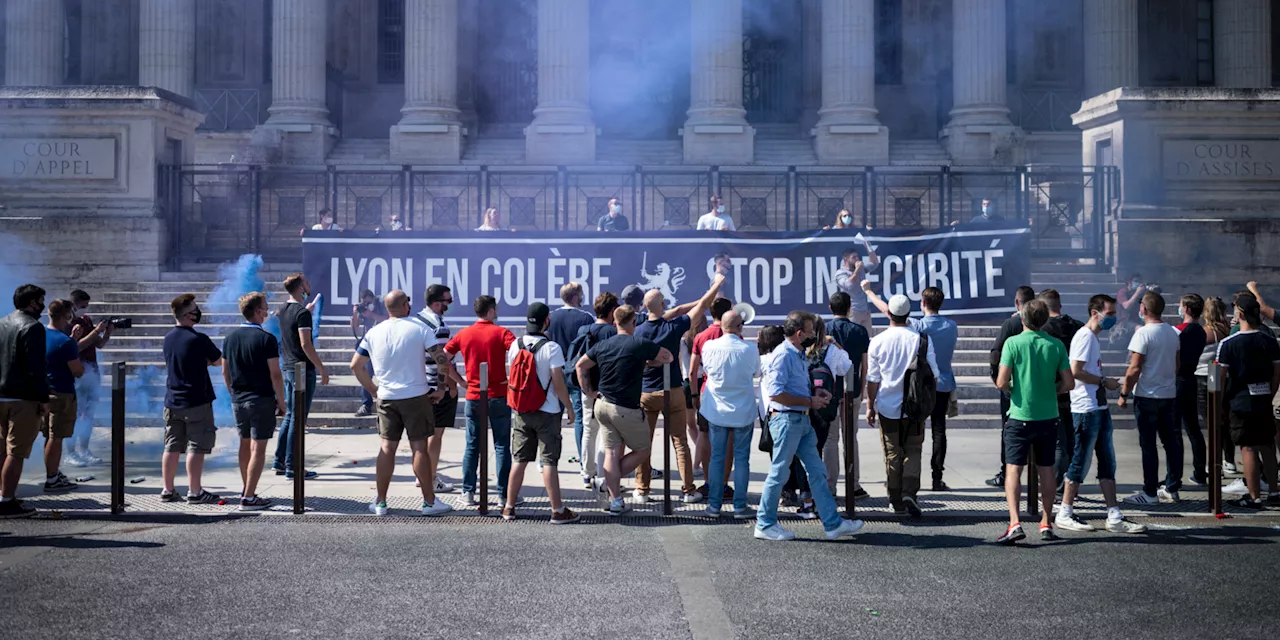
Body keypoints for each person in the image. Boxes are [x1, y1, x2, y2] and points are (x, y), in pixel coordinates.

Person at [756, 311, 863, 541]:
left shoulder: (796, 353)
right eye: (810, 330)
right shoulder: (783, 355)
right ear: (798, 333)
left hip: (800, 420)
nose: (814, 334)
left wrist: (814, 393)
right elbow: (776, 394)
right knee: (779, 473)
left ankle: (832, 523)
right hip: (787, 419)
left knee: (816, 471)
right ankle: (764, 523)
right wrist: (810, 401)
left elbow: (792, 387)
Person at [351, 291, 453, 517]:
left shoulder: (374, 332)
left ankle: (380, 502)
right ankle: (428, 502)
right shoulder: (420, 328)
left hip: (387, 396)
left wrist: (373, 390)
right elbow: (442, 359)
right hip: (416, 395)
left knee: (387, 448)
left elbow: (355, 366)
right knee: (419, 447)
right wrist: (441, 387)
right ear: (406, 305)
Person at [1055, 294, 1147, 534]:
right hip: (1086, 409)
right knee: (1080, 462)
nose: (1113, 318)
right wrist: (1105, 381)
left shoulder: (1092, 337)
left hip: (1098, 408)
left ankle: (1114, 514)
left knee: (1107, 462)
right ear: (1095, 313)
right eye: (1110, 313)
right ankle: (1064, 512)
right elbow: (1075, 371)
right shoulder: (1085, 336)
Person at [633, 268, 727, 503]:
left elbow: (676, 310)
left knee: (643, 443)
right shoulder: (672, 328)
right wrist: (715, 285)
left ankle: (642, 489)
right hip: (672, 389)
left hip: (645, 391)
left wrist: (697, 300)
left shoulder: (639, 329)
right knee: (680, 442)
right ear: (662, 304)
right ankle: (687, 490)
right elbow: (701, 307)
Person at [575, 305, 673, 516]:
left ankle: (615, 499)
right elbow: (668, 357)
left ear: (615, 321)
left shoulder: (603, 344)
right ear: (634, 322)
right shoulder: (639, 343)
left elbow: (581, 365)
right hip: (626, 408)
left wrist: (589, 392)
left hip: (602, 404)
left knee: (610, 451)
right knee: (643, 450)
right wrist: (648, 363)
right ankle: (610, 479)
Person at [864, 284, 958, 492]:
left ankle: (896, 491)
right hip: (932, 392)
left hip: (901, 398)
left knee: (894, 448)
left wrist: (870, 292)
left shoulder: (916, 328)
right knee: (929, 438)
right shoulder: (948, 328)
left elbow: (873, 378)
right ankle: (926, 482)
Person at [995, 299, 1073, 544]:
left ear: (1023, 319)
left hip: (1020, 415)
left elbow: (1001, 381)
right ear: (1045, 320)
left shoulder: (1013, 343)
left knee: (1013, 469)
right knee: (1046, 469)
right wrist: (1052, 389)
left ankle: (1015, 521)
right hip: (1048, 415)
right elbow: (1069, 383)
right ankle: (1046, 522)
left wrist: (1015, 388)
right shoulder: (1056, 344)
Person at [503, 302, 580, 524]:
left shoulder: (515, 346)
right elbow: (558, 382)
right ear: (546, 320)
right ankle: (557, 510)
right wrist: (569, 408)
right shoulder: (552, 348)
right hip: (548, 412)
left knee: (519, 460)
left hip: (521, 411)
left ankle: (509, 507)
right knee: (549, 462)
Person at [865, 295, 939, 517]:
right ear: (908, 314)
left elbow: (872, 379)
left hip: (888, 405)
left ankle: (895, 497)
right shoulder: (921, 339)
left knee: (892, 452)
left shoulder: (878, 341)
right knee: (914, 449)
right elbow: (934, 376)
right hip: (915, 407)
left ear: (889, 314)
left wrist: (870, 405)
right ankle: (910, 493)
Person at [445, 295, 517, 507]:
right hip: (499, 394)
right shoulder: (502, 332)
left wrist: (459, 381)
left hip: (474, 395)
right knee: (502, 445)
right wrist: (512, 379)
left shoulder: (464, 334)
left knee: (472, 445)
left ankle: (468, 492)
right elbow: (519, 354)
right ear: (492, 311)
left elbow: (443, 357)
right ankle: (504, 495)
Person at [222, 292, 286, 511]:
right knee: (258, 449)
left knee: (244, 444)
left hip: (239, 399)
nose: (267, 312)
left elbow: (225, 371)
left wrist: (233, 392)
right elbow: (275, 374)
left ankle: (246, 489)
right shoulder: (267, 339)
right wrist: (282, 400)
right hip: (261, 400)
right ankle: (249, 497)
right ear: (258, 312)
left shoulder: (229, 338)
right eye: (265, 308)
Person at [1215, 297, 1280, 508]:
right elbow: (1277, 373)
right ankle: (1274, 491)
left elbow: (1220, 377)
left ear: (1240, 314)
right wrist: (1269, 394)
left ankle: (1254, 496)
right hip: (1263, 398)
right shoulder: (1270, 341)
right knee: (1268, 446)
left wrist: (1219, 403)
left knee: (1248, 448)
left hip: (1240, 401)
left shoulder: (1228, 344)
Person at [1119, 291, 1183, 505]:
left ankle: (1149, 492)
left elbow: (1134, 368)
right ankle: (1172, 488)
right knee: (1170, 443)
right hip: (1168, 394)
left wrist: (1124, 393)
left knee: (1148, 445)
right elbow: (1177, 365)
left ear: (1144, 309)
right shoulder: (1172, 332)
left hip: (1147, 396)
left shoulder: (1143, 333)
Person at [784, 319, 852, 517]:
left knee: (801, 454)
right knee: (817, 453)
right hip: (823, 407)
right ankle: (819, 497)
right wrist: (835, 344)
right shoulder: (831, 351)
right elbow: (846, 366)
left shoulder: (799, 351)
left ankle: (806, 499)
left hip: (803, 405)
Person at [160, 294, 224, 505]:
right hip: (196, 401)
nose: (198, 312)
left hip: (172, 400)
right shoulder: (199, 339)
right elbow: (217, 361)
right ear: (188, 315)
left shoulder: (168, 338)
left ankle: (167, 489)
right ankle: (195, 491)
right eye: (195, 309)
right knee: (196, 446)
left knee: (171, 446)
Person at [698, 309, 758, 519]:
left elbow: (706, 369)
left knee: (717, 457)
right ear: (740, 327)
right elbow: (755, 372)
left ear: (721, 326)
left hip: (717, 410)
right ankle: (739, 506)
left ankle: (714, 505)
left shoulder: (709, 346)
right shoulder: (750, 349)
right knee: (742, 459)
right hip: (743, 410)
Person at [0, 285, 49, 518]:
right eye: (40, 300)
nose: (43, 305)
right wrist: (43, 399)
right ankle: (7, 501)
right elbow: (36, 368)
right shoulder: (33, 327)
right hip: (23, 399)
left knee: (2, 450)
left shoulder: (1, 323)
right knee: (16, 452)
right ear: (31, 303)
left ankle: (3, 495)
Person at [275, 274, 327, 480]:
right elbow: (306, 344)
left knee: (290, 416)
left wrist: (307, 312)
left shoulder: (284, 310)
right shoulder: (301, 313)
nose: (309, 285)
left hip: (288, 366)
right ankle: (293, 466)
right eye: (306, 282)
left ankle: (280, 461)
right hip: (302, 370)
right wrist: (321, 368)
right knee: (298, 419)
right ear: (300, 288)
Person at [986, 285, 1037, 487]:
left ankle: (1006, 472)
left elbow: (995, 353)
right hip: (1037, 386)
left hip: (1013, 386)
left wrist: (996, 377)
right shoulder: (1042, 323)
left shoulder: (1011, 323)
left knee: (1009, 431)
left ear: (1017, 302)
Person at [416, 284, 463, 495]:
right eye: (448, 301)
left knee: (421, 436)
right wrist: (456, 383)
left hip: (418, 386)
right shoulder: (439, 325)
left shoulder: (416, 320)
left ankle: (422, 475)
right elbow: (443, 360)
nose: (449, 305)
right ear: (437, 303)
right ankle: (431, 478)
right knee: (435, 435)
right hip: (436, 386)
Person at [547, 282, 595, 485]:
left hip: (554, 372)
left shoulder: (551, 318)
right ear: (575, 296)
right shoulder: (586, 318)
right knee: (580, 419)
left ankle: (547, 460)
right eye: (581, 294)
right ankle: (584, 464)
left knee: (553, 417)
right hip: (576, 373)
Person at [570, 291, 619, 488]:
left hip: (587, 386)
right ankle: (601, 475)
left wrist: (586, 389)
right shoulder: (612, 333)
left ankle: (586, 473)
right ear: (613, 310)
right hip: (607, 388)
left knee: (589, 431)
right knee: (605, 432)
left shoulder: (584, 330)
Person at [824, 291, 870, 498]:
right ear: (850, 307)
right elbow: (864, 364)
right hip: (852, 386)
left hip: (831, 389)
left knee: (831, 439)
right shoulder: (860, 331)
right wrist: (862, 389)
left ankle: (829, 486)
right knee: (851, 437)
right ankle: (854, 485)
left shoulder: (823, 330)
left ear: (830, 308)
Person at [1039, 289, 1085, 493]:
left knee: (1058, 443)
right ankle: (1071, 481)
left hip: (1052, 390)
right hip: (1075, 389)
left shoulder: (1042, 330)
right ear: (1060, 306)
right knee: (1072, 440)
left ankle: (1057, 485)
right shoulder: (1078, 327)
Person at [688, 297, 734, 498]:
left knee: (704, 435)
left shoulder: (701, 336)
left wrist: (694, 394)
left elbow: (692, 372)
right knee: (729, 438)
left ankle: (708, 482)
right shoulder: (734, 336)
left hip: (707, 391)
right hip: (730, 392)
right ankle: (723, 484)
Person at [40, 299, 83, 493]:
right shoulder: (65, 342)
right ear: (67, 316)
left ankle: (53, 473)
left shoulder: (40, 334)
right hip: (62, 393)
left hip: (43, 391)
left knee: (48, 436)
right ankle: (52, 479)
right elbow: (77, 370)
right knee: (56, 437)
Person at [65, 289, 111, 466]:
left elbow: (98, 344)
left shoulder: (86, 320)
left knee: (88, 415)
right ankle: (71, 452)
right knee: (75, 415)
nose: (85, 309)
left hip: (92, 373)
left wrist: (106, 332)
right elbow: (75, 347)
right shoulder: (68, 322)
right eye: (83, 306)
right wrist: (96, 331)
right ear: (74, 305)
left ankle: (84, 449)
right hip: (77, 374)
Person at [1201, 298, 1243, 487]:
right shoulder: (1230, 328)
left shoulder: (1208, 332)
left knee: (1213, 423)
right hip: (1226, 378)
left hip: (1207, 377)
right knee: (1224, 422)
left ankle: (1215, 463)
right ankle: (1229, 460)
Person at [1173, 294, 1209, 485]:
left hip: (1178, 381)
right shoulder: (1201, 331)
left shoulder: (1180, 331)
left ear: (1186, 308)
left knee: (1175, 431)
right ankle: (1199, 472)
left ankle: (1174, 477)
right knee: (1193, 429)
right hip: (1191, 379)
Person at [350, 289, 388, 417]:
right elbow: (355, 326)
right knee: (365, 372)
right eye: (364, 303)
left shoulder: (382, 303)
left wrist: (370, 314)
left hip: (384, 343)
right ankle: (366, 404)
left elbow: (388, 319)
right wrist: (356, 314)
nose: (367, 305)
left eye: (368, 302)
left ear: (372, 298)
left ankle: (388, 402)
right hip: (369, 344)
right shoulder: (363, 308)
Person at [831, 238, 881, 331]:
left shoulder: (861, 269)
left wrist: (867, 245)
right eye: (854, 257)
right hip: (852, 312)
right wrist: (857, 270)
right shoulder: (840, 273)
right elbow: (849, 285)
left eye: (857, 257)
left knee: (868, 337)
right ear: (846, 259)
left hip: (865, 311)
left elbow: (875, 263)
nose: (857, 259)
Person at [1113, 274, 1146, 347]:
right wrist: (1137, 293)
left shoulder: (1141, 293)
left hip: (1137, 320)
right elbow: (1126, 306)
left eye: (1139, 281)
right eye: (1135, 281)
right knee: (1140, 329)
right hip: (1125, 322)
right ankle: (1132, 353)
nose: (1137, 283)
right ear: (1129, 282)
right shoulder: (1122, 292)